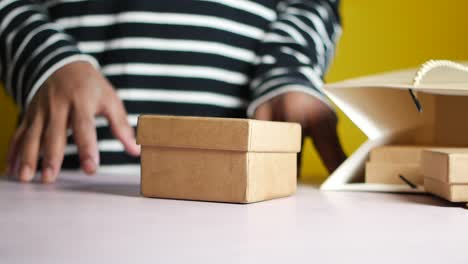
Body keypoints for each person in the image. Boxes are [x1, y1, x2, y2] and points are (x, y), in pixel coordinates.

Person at [2, 0, 346, 183]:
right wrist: (44, 58)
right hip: (66, 174)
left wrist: (287, 73)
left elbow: (312, 4)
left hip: (235, 192)